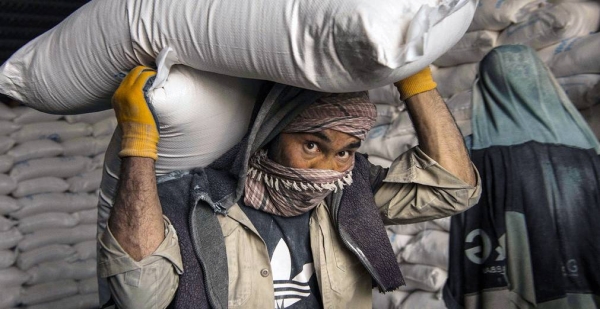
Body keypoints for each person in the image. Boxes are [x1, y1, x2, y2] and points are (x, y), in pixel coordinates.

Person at [98, 66, 481, 308]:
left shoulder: (350, 190)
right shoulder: (195, 199)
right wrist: (139, 144)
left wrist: (414, 78)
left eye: (346, 151)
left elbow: (454, 187)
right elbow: (139, 296)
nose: (327, 169)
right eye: (312, 145)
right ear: (271, 133)